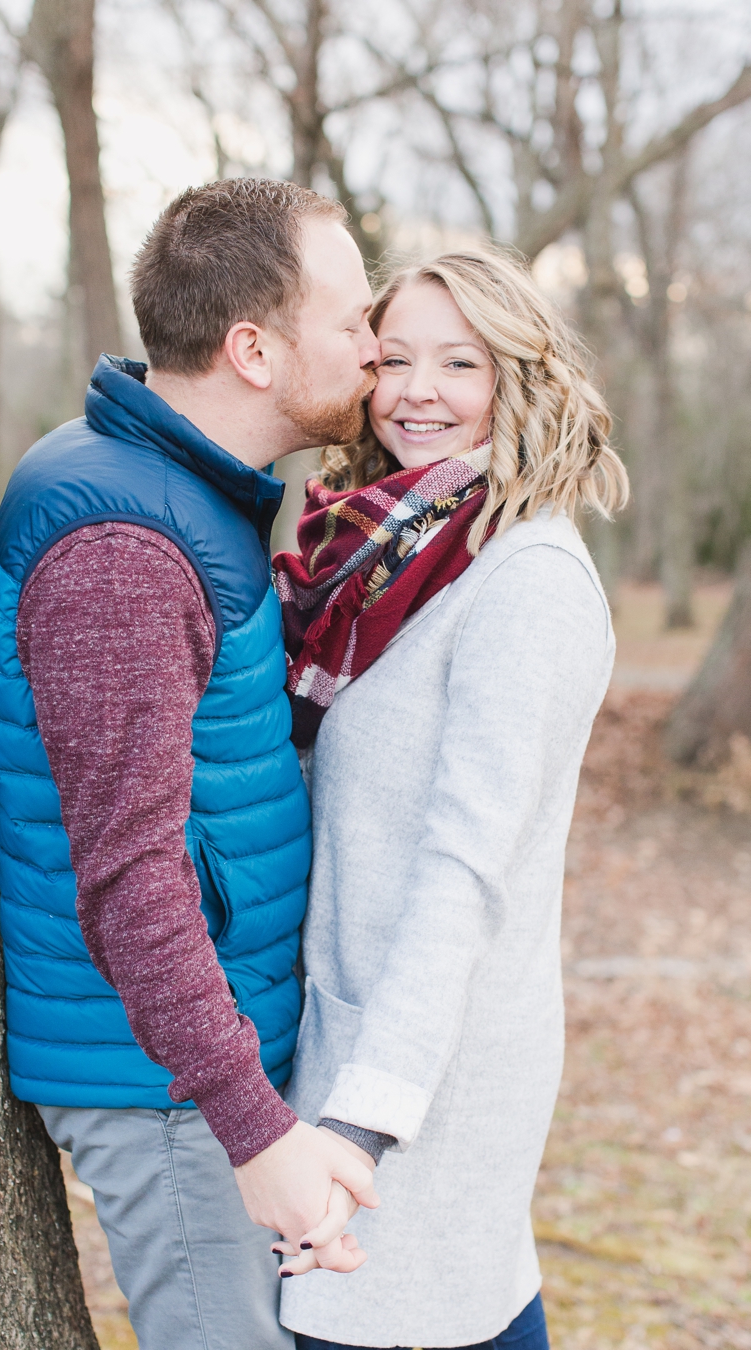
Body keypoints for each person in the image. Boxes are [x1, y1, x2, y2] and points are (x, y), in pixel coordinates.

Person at [0, 178, 383, 1349]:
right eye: (352, 321)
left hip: (197, 1062)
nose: (376, 345)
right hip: (165, 1084)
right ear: (253, 350)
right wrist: (250, 1125)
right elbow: (132, 882)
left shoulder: (182, 493)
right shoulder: (123, 549)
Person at [270, 248, 628, 1349]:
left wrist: (364, 1123)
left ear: (518, 377)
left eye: (458, 362)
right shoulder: (400, 560)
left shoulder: (526, 583)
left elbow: (463, 870)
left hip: (424, 1072)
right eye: (396, 359)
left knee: (408, 1314)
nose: (417, 391)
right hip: (349, 1037)